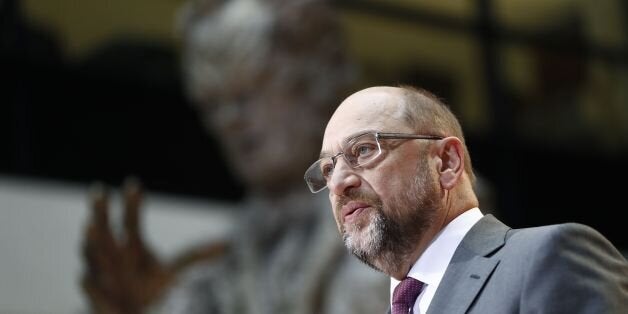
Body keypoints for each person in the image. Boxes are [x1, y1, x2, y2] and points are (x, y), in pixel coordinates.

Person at [81, 0, 389, 313]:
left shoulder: (383, 223)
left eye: (248, 93)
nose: (230, 120)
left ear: (316, 82)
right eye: (213, 104)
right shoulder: (239, 249)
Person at [304, 85, 628, 313]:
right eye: (329, 168)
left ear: (446, 162)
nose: (339, 183)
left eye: (363, 149)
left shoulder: (549, 259)